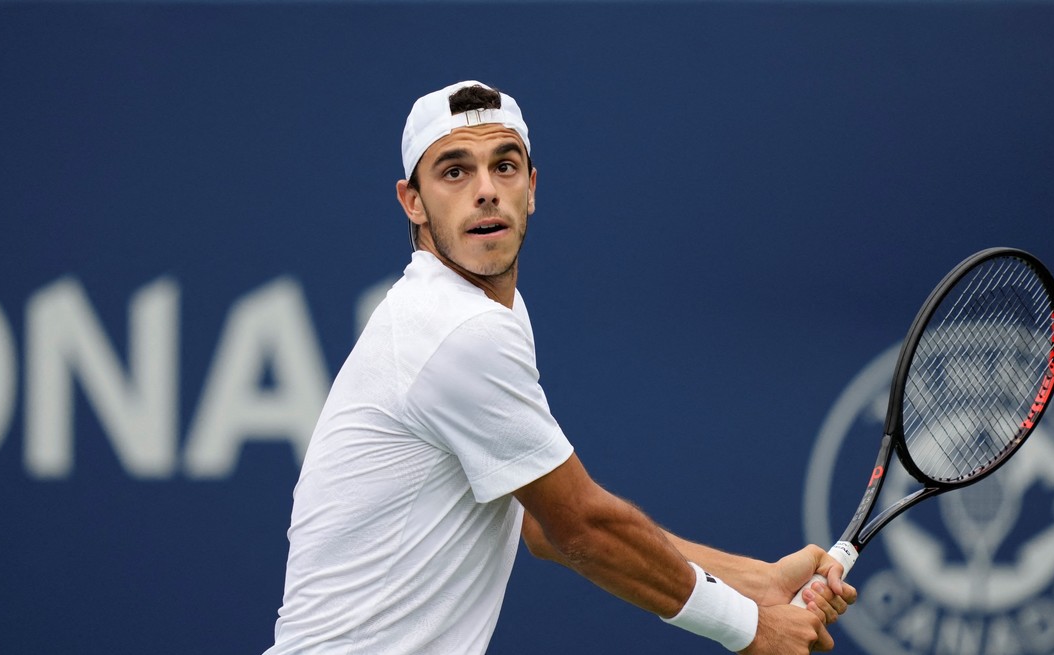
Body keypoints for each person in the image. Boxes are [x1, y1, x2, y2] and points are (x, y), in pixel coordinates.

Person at [262, 80, 857, 655]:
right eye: (455, 172)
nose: (486, 190)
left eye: (504, 166)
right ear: (412, 202)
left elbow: (540, 525)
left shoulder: (484, 309)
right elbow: (579, 526)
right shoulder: (459, 329)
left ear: (531, 188)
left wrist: (757, 582)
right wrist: (751, 628)